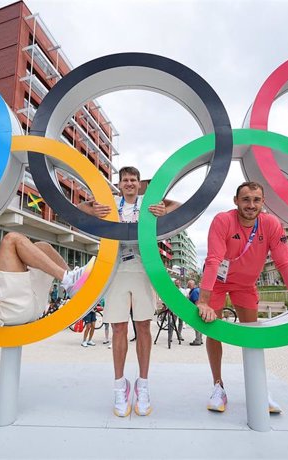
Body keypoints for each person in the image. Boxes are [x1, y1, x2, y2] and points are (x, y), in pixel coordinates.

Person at [197, 182, 288, 414]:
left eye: (256, 200)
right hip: (218, 284)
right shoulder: (223, 220)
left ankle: (259, 388)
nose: (251, 205)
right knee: (212, 330)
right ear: (236, 201)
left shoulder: (271, 224)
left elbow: (284, 264)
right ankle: (218, 387)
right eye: (246, 199)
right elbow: (213, 260)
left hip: (245, 285)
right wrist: (203, 301)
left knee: (251, 335)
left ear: (263, 202)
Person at [80, 166, 179, 417]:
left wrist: (164, 211)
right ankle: (119, 385)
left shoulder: (149, 201)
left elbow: (180, 206)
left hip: (144, 266)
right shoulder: (111, 202)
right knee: (118, 328)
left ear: (139, 184)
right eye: (125, 180)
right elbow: (77, 211)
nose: (130, 184)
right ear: (119, 184)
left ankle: (142, 385)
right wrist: (93, 207)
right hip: (116, 268)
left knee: (144, 326)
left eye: (134, 180)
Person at [187, 279, 203, 346]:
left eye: (189, 284)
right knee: (199, 326)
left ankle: (197, 340)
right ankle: (200, 339)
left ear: (192, 285)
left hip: (196, 311)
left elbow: (196, 302)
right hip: (199, 310)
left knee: (197, 326)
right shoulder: (197, 290)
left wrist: (197, 312)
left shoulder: (194, 291)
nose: (188, 285)